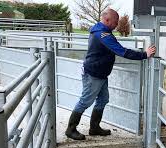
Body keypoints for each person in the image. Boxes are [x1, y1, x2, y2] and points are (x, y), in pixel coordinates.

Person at [65, 8, 156, 140]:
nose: (117, 24)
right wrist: (144, 55)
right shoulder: (103, 35)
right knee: (85, 101)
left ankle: (94, 127)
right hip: (94, 74)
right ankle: (71, 129)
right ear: (107, 20)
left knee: (103, 99)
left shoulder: (101, 30)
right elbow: (121, 51)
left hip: (100, 73)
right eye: (115, 21)